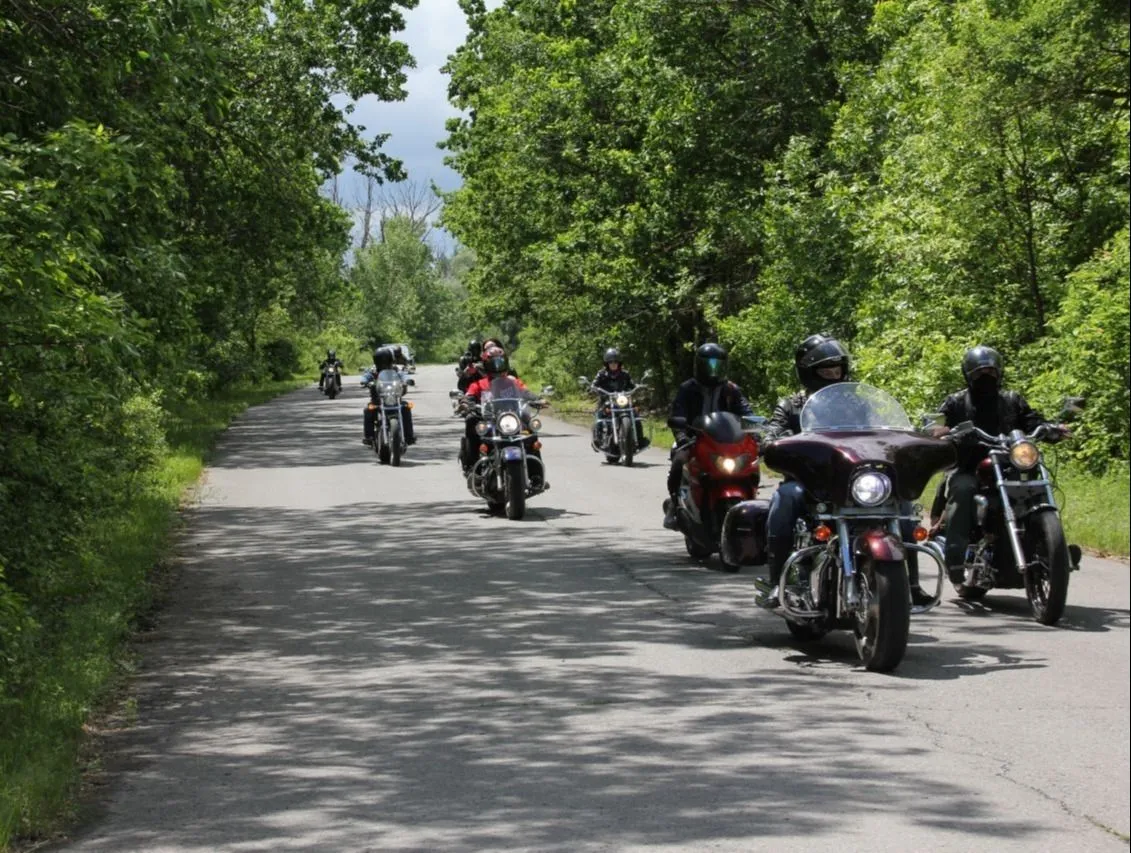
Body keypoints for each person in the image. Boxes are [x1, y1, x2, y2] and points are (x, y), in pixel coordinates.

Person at [760, 334, 932, 607]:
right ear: (808, 372)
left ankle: (911, 584)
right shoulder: (791, 405)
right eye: (824, 371)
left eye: (836, 369)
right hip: (809, 483)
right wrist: (771, 442)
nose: (832, 375)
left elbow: (880, 432)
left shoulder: (858, 404)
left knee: (904, 507)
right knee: (784, 501)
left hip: (854, 481)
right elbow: (773, 433)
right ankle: (776, 581)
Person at [928, 345, 1066, 583]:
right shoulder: (956, 402)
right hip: (969, 467)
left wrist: (1052, 429)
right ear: (968, 375)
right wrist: (940, 431)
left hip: (1010, 465)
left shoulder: (1012, 400)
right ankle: (955, 559)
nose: (986, 377)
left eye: (991, 372)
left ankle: (1051, 549)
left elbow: (1032, 421)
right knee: (962, 490)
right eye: (980, 373)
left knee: (1037, 485)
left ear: (999, 373)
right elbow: (937, 424)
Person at [663, 343, 755, 529]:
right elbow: (677, 414)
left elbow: (747, 413)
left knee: (751, 467)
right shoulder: (687, 388)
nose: (713, 370)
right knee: (678, 463)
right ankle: (674, 505)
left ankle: (751, 504)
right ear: (699, 365)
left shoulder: (732, 390)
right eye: (709, 365)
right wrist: (681, 435)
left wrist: (757, 432)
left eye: (717, 365)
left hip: (726, 442)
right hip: (693, 438)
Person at [458, 346, 531, 472]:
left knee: (530, 430)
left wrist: (538, 399)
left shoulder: (512, 381)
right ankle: (472, 465)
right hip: (490, 420)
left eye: (500, 362)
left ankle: (535, 472)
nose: (498, 366)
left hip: (511, 419)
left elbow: (526, 392)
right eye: (493, 363)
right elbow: (469, 395)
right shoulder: (480, 384)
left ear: (506, 362)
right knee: (472, 422)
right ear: (486, 365)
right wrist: (466, 402)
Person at [592, 347, 650, 450]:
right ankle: (598, 439)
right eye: (611, 362)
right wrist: (593, 388)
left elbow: (632, 384)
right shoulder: (601, 374)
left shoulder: (625, 374)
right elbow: (594, 384)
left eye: (615, 362)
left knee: (635, 413)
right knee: (600, 413)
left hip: (622, 399)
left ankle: (640, 439)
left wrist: (638, 386)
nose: (613, 364)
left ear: (619, 363)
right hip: (606, 400)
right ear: (607, 363)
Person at [362, 347, 415, 446]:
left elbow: (403, 375)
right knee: (368, 410)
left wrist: (407, 380)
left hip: (395, 399)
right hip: (378, 400)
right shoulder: (373, 370)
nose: (384, 363)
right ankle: (369, 437)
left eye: (385, 361)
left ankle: (409, 436)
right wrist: (365, 381)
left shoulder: (395, 369)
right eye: (381, 361)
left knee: (406, 407)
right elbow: (366, 376)